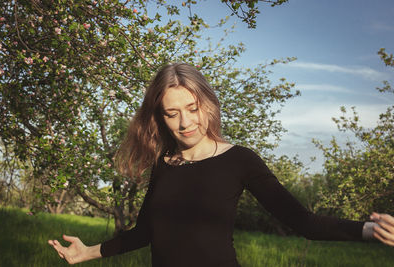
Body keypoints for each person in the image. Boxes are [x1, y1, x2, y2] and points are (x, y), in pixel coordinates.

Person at [48, 63, 394, 266]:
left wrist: (368, 230)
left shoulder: (240, 160)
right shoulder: (164, 164)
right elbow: (145, 234)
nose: (185, 123)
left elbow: (302, 221)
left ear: (208, 105)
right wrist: (87, 253)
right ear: (160, 117)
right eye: (172, 113)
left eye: (192, 109)